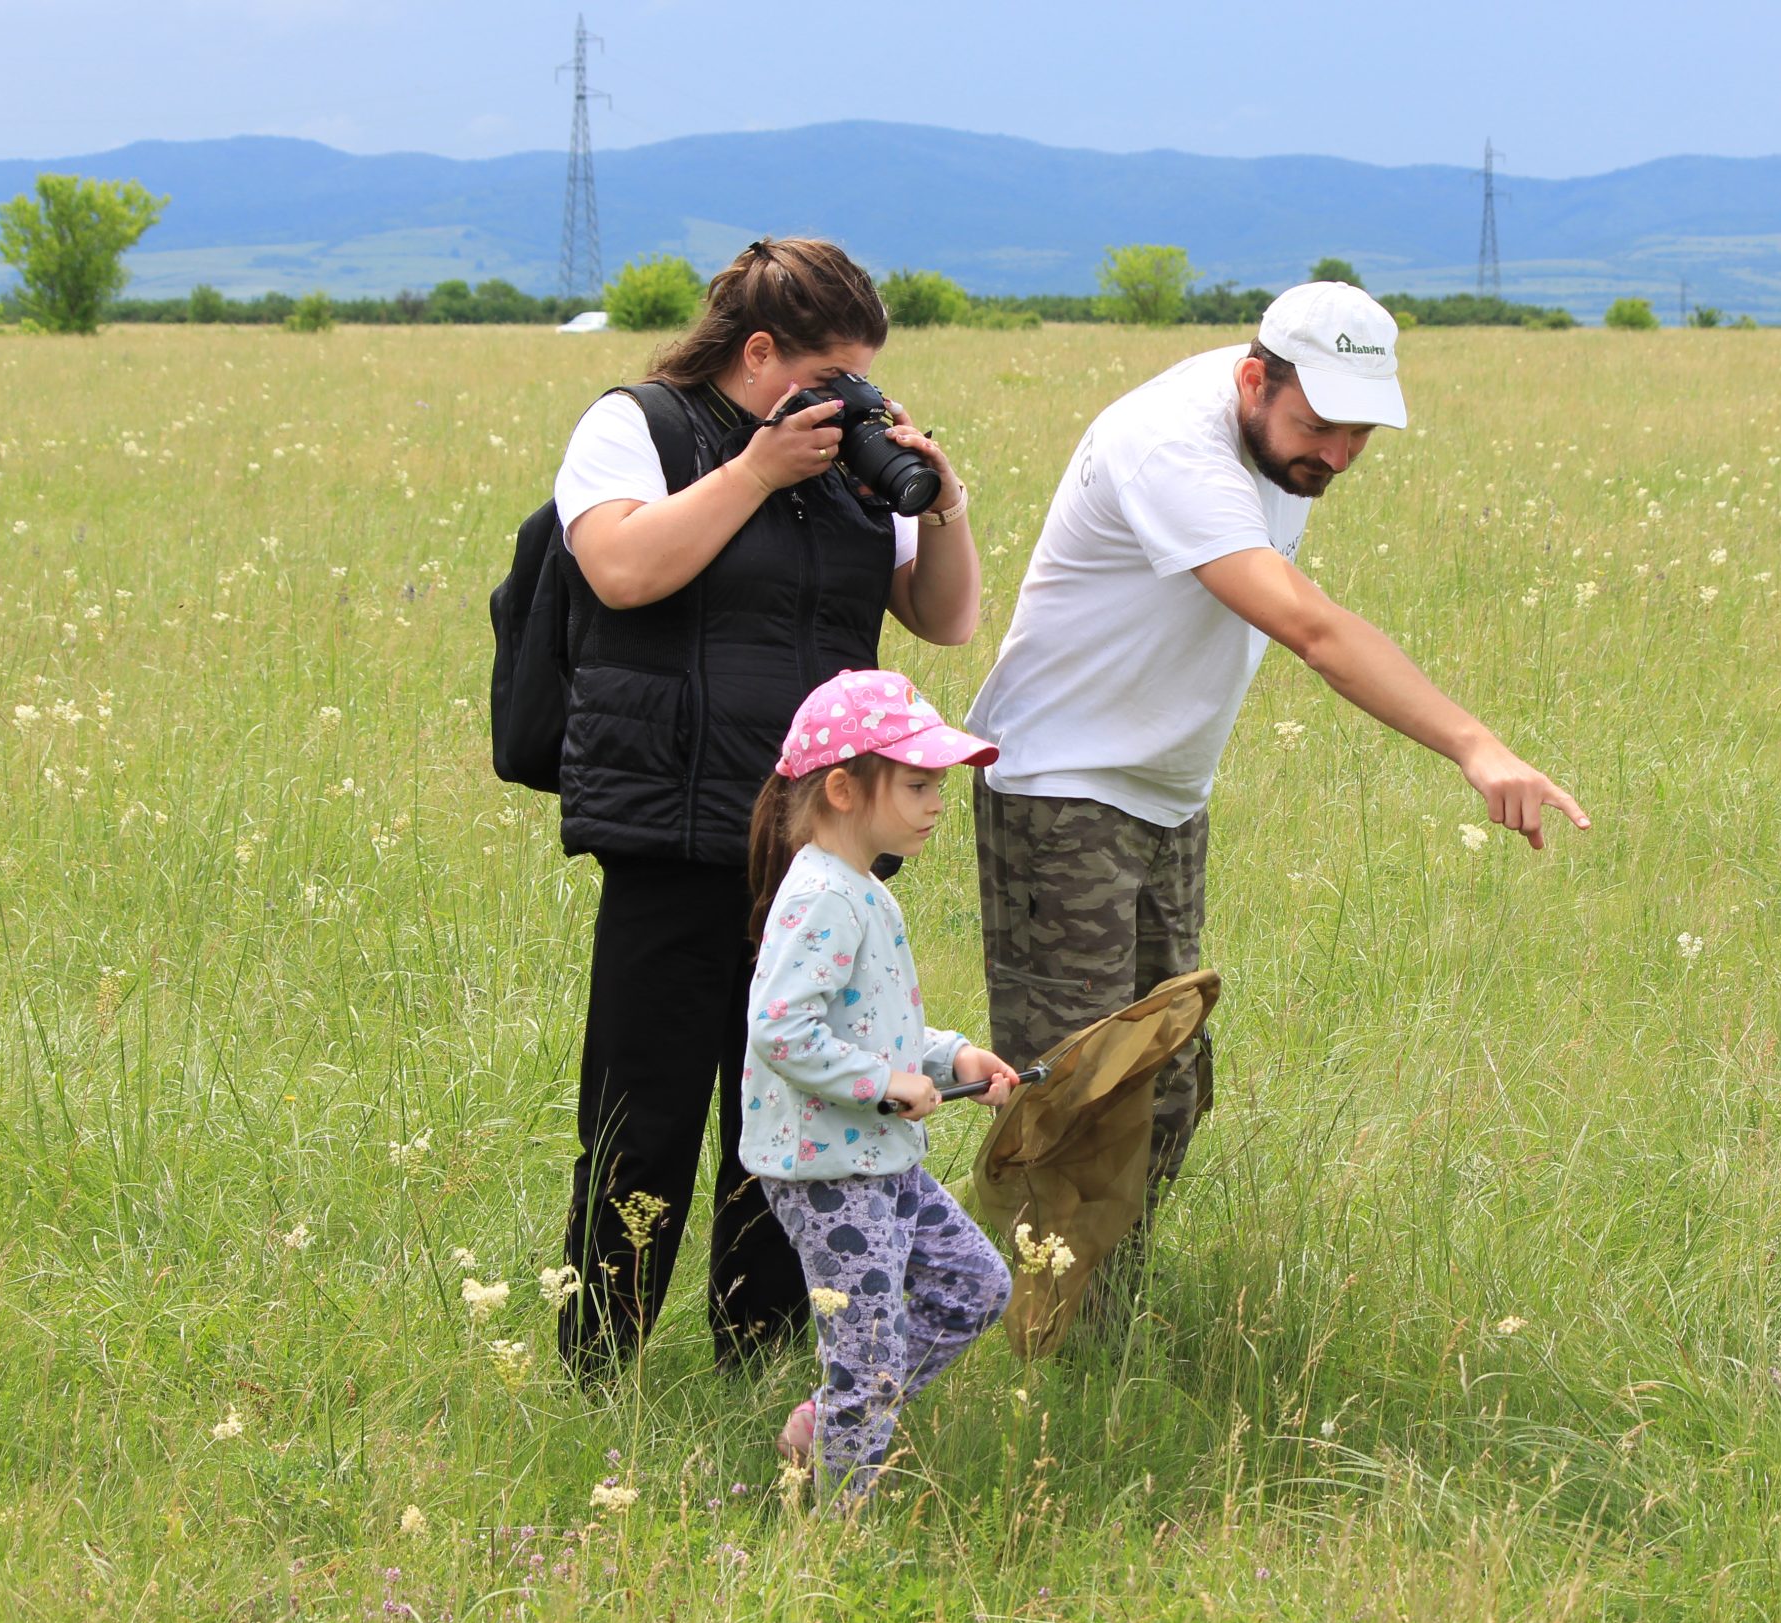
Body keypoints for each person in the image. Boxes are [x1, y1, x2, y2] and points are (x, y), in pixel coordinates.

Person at [964, 281, 1587, 1307]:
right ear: (1255, 380)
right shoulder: (1174, 445)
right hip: (1061, 787)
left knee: (1163, 1078)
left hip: (1166, 793)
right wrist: (1477, 747)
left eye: (1359, 435)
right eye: (1318, 428)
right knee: (1076, 1088)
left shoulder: (1277, 436)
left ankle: (1108, 1309)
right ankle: (1045, 1334)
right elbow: (1311, 628)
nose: (1336, 457)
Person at [549, 238, 983, 1377]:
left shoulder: (850, 463)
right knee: (642, 1116)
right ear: (757, 354)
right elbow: (623, 572)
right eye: (831, 377)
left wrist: (939, 508)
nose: (854, 404)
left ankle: (761, 1346)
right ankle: (602, 1359)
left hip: (820, 842)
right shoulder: (637, 427)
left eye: (865, 382)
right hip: (672, 826)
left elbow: (942, 620)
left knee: (802, 1100)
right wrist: (754, 470)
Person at [739, 669, 1018, 1506]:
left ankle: (828, 1423)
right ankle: (835, 1535)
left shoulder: (861, 890)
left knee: (976, 1285)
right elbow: (780, 1028)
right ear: (843, 787)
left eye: (940, 783)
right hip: (829, 1171)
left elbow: (873, 1029)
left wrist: (951, 1060)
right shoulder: (823, 894)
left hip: (879, 1158)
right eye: (919, 783)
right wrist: (884, 1086)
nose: (938, 800)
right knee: (869, 1356)